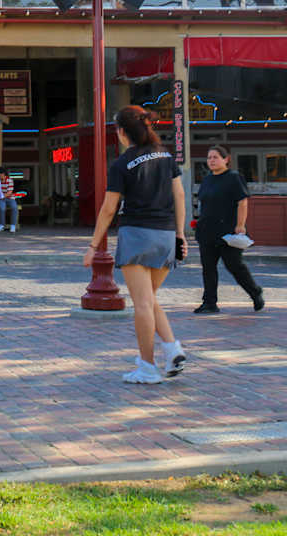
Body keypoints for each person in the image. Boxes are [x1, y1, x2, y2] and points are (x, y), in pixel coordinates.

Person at [85, 105, 188, 384]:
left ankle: (147, 366)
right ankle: (172, 348)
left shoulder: (121, 164)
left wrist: (94, 246)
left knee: (142, 303)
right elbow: (179, 194)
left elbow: (108, 208)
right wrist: (180, 234)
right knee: (150, 298)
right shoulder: (166, 156)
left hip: (137, 234)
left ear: (121, 132)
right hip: (166, 234)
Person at [194, 144, 264, 314]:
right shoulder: (207, 179)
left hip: (228, 231)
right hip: (207, 232)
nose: (211, 160)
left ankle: (255, 292)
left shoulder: (234, 177)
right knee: (208, 268)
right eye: (209, 157)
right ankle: (209, 303)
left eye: (215, 157)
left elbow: (242, 202)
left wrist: (240, 225)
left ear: (226, 159)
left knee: (234, 266)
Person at [0, 166, 18, 233]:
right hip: (1, 199)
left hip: (10, 198)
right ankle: (1, 224)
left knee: (14, 207)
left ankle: (13, 225)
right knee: (2, 208)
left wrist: (0, 196)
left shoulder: (9, 180)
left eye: (0, 173)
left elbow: (9, 192)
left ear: (4, 173)